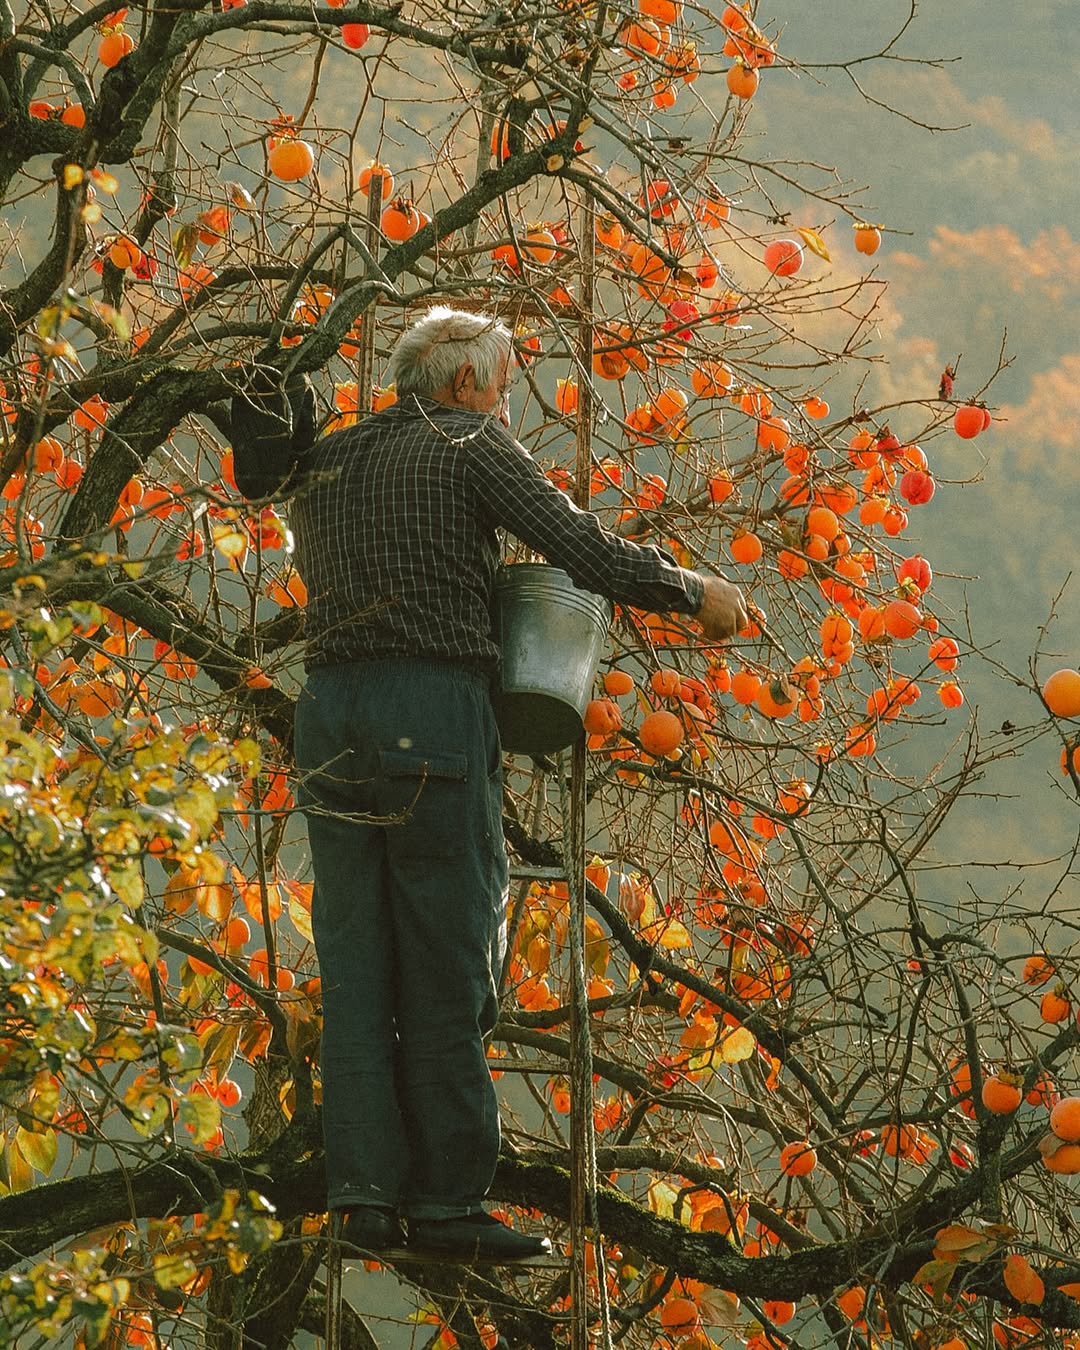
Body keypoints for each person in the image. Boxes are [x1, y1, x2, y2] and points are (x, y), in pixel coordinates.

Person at [233, 307, 747, 1262]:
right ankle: (447, 1204)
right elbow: (579, 549)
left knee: (354, 965)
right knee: (447, 957)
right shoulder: (470, 441)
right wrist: (691, 591)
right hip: (430, 711)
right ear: (467, 384)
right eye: (506, 388)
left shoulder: (331, 457)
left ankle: (361, 1198)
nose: (509, 406)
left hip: (330, 716)